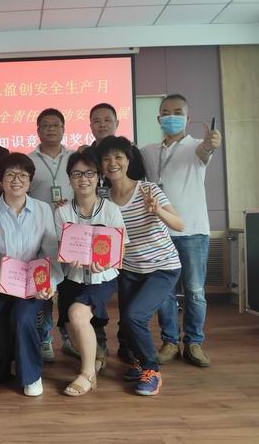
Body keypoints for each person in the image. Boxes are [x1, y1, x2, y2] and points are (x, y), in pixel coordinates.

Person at [0, 153, 63, 397]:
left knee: (23, 318)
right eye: (10, 174)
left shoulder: (43, 210)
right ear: (0, 180)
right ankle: (1, 367)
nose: (16, 180)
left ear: (30, 180)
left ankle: (30, 375)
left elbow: (50, 253)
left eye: (23, 175)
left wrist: (48, 283)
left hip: (33, 280)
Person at [98, 135, 183, 396]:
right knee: (126, 322)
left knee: (134, 316)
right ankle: (137, 360)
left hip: (162, 266)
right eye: (106, 159)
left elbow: (179, 224)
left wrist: (158, 211)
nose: (113, 163)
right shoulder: (104, 197)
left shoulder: (148, 189)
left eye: (118, 157)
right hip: (130, 268)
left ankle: (151, 370)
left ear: (128, 160)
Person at [141, 94, 222, 367]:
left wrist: (211, 143)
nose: (171, 116)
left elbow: (206, 151)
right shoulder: (148, 151)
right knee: (164, 292)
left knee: (195, 291)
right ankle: (170, 341)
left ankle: (194, 342)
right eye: (166, 112)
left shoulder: (197, 146)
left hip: (193, 232)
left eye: (177, 112)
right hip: (159, 232)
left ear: (188, 118)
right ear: (158, 118)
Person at [54, 150, 128, 395]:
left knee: (77, 315)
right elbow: (60, 248)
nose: (83, 179)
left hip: (101, 277)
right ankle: (96, 356)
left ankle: (87, 375)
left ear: (98, 177)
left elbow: (121, 249)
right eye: (77, 174)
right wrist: (68, 256)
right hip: (72, 277)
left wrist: (106, 263)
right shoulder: (62, 212)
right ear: (69, 178)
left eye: (89, 173)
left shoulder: (111, 210)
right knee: (73, 330)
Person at [82, 103, 147, 367]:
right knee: (96, 285)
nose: (102, 124)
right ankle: (98, 342)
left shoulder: (131, 150)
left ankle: (127, 344)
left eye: (106, 119)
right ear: (90, 125)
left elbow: (139, 184)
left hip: (129, 229)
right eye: (96, 120)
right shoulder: (86, 154)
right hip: (97, 229)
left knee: (128, 291)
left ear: (117, 122)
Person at [27, 108, 74, 362]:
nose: (51, 129)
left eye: (56, 125)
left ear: (64, 129)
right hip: (41, 234)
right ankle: (45, 338)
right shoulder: (29, 161)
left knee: (70, 288)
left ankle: (68, 337)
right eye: (46, 125)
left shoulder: (75, 158)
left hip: (71, 233)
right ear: (38, 130)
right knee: (44, 287)